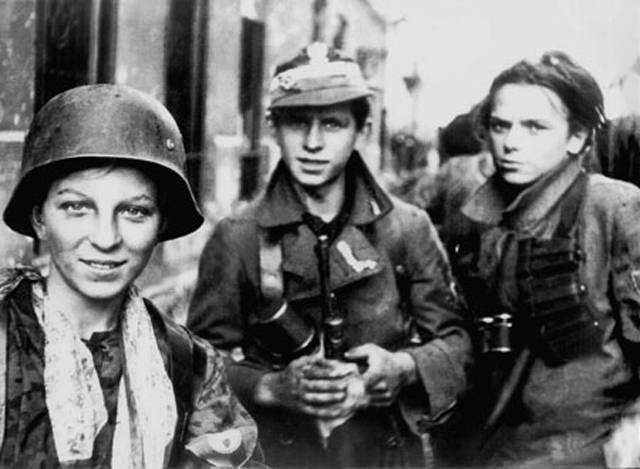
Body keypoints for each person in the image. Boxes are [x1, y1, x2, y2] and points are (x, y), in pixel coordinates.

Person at [187, 42, 472, 468]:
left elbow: (457, 343)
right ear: (272, 127)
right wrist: (271, 387)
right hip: (279, 453)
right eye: (298, 123)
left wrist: (401, 367)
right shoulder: (238, 237)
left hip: (382, 453)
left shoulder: (406, 229)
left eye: (334, 124)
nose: (313, 143)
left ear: (362, 129)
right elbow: (196, 362)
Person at [0, 84, 258, 468]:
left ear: (161, 223)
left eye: (134, 211)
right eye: (76, 207)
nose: (106, 238)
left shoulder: (190, 366)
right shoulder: (5, 339)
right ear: (39, 218)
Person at [449, 51, 640, 466]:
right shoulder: (475, 219)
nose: (511, 142)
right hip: (491, 444)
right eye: (501, 126)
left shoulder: (613, 208)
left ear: (577, 137)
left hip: (585, 451)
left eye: (534, 127)